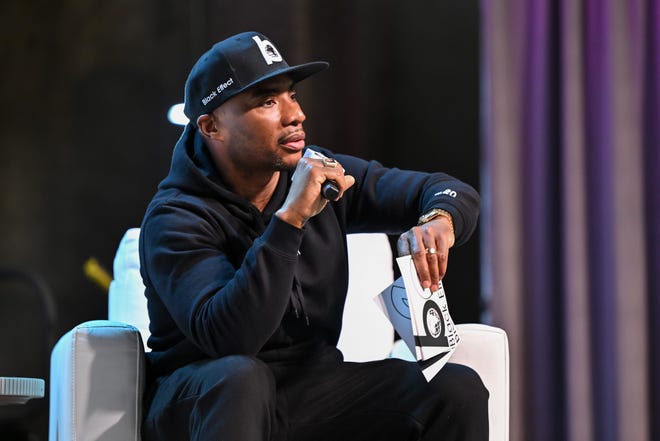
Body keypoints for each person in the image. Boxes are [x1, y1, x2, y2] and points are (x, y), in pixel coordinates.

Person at [139, 31, 488, 441]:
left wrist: (439, 219)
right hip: (203, 395)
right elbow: (231, 338)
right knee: (241, 377)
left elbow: (444, 189)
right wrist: (290, 221)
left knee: (455, 390)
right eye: (268, 101)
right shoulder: (175, 217)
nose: (295, 115)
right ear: (211, 126)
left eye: (291, 95)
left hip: (309, 388)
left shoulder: (319, 171)